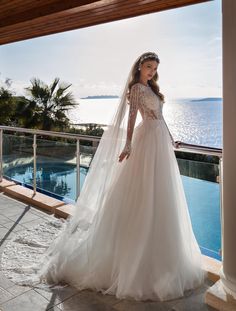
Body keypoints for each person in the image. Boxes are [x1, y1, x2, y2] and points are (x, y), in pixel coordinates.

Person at [1, 52, 206, 302]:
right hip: (146, 143)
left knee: (162, 196)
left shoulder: (151, 88)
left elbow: (160, 118)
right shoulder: (137, 89)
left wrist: (173, 140)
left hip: (161, 143)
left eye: (154, 68)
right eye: (148, 66)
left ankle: (161, 255)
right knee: (143, 194)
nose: (152, 71)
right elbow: (131, 118)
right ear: (140, 66)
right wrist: (128, 144)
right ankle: (131, 258)